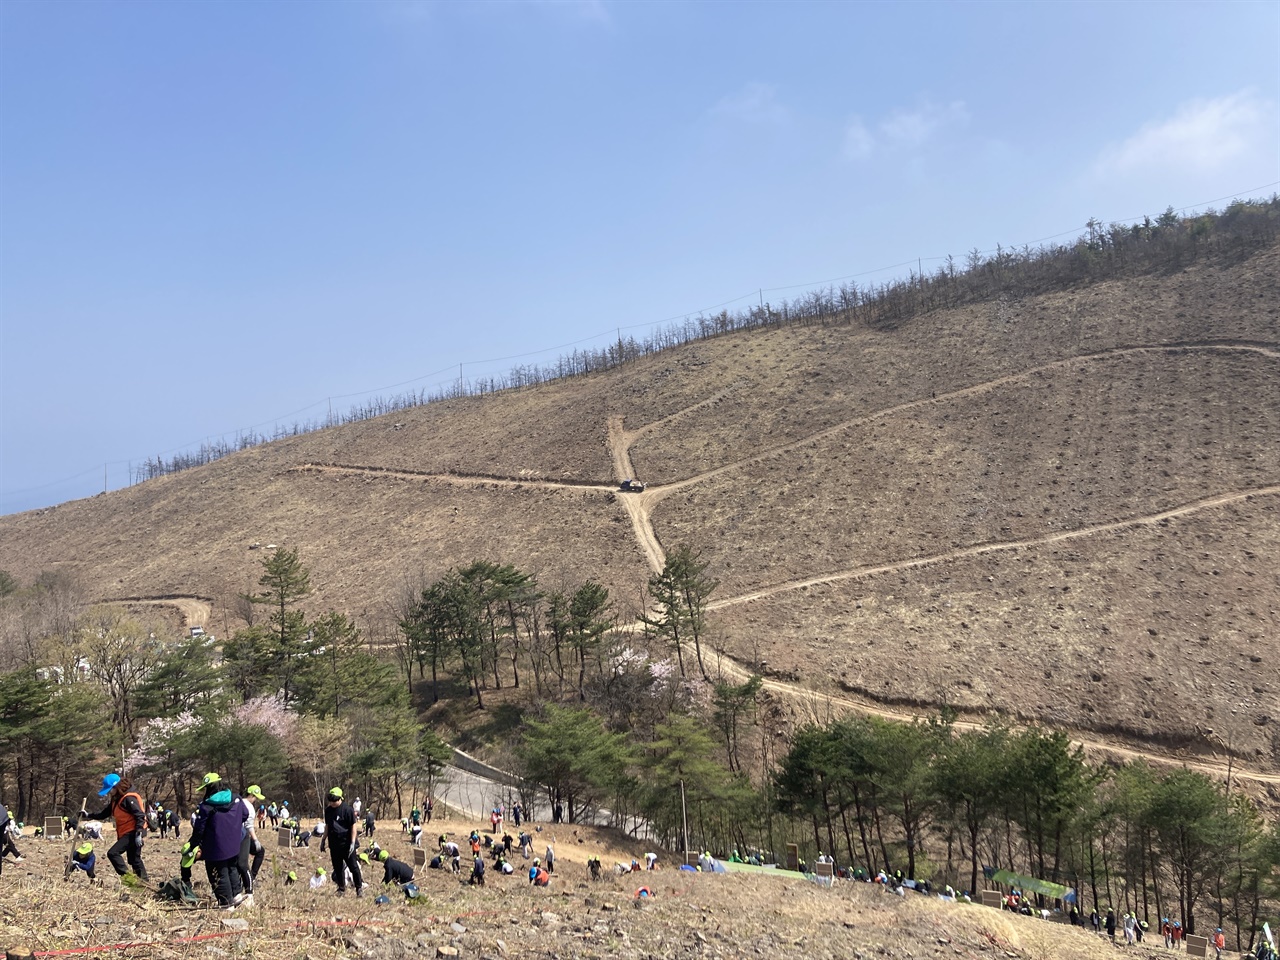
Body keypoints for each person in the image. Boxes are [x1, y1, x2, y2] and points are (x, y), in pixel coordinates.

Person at [190, 772, 249, 908]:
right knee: (232, 867)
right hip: (235, 843)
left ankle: (226, 904)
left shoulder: (206, 807)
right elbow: (245, 815)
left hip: (215, 846)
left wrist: (193, 844)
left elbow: (199, 829)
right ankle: (237, 895)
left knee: (218, 872)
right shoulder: (236, 799)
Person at [82, 773, 148, 881]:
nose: (109, 793)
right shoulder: (116, 800)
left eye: (110, 790)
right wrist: (88, 815)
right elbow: (103, 814)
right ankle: (143, 883)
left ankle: (130, 879)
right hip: (127, 831)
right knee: (133, 859)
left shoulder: (128, 798)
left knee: (113, 853)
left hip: (134, 831)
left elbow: (140, 815)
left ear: (116, 787)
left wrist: (139, 833)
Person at [323, 787, 364, 898]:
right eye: (330, 801)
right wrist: (323, 840)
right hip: (334, 844)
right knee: (338, 868)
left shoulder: (347, 810)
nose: (332, 803)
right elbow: (327, 826)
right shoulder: (328, 811)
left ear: (340, 799)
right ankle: (341, 888)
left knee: (353, 867)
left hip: (346, 844)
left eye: (334, 801)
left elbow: (353, 826)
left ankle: (359, 888)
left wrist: (352, 842)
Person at [236, 785, 267, 905]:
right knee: (259, 852)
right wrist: (255, 840)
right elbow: (248, 826)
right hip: (243, 837)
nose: (256, 800)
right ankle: (251, 879)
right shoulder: (249, 807)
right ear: (253, 796)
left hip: (234, 836)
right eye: (256, 797)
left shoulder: (238, 802)